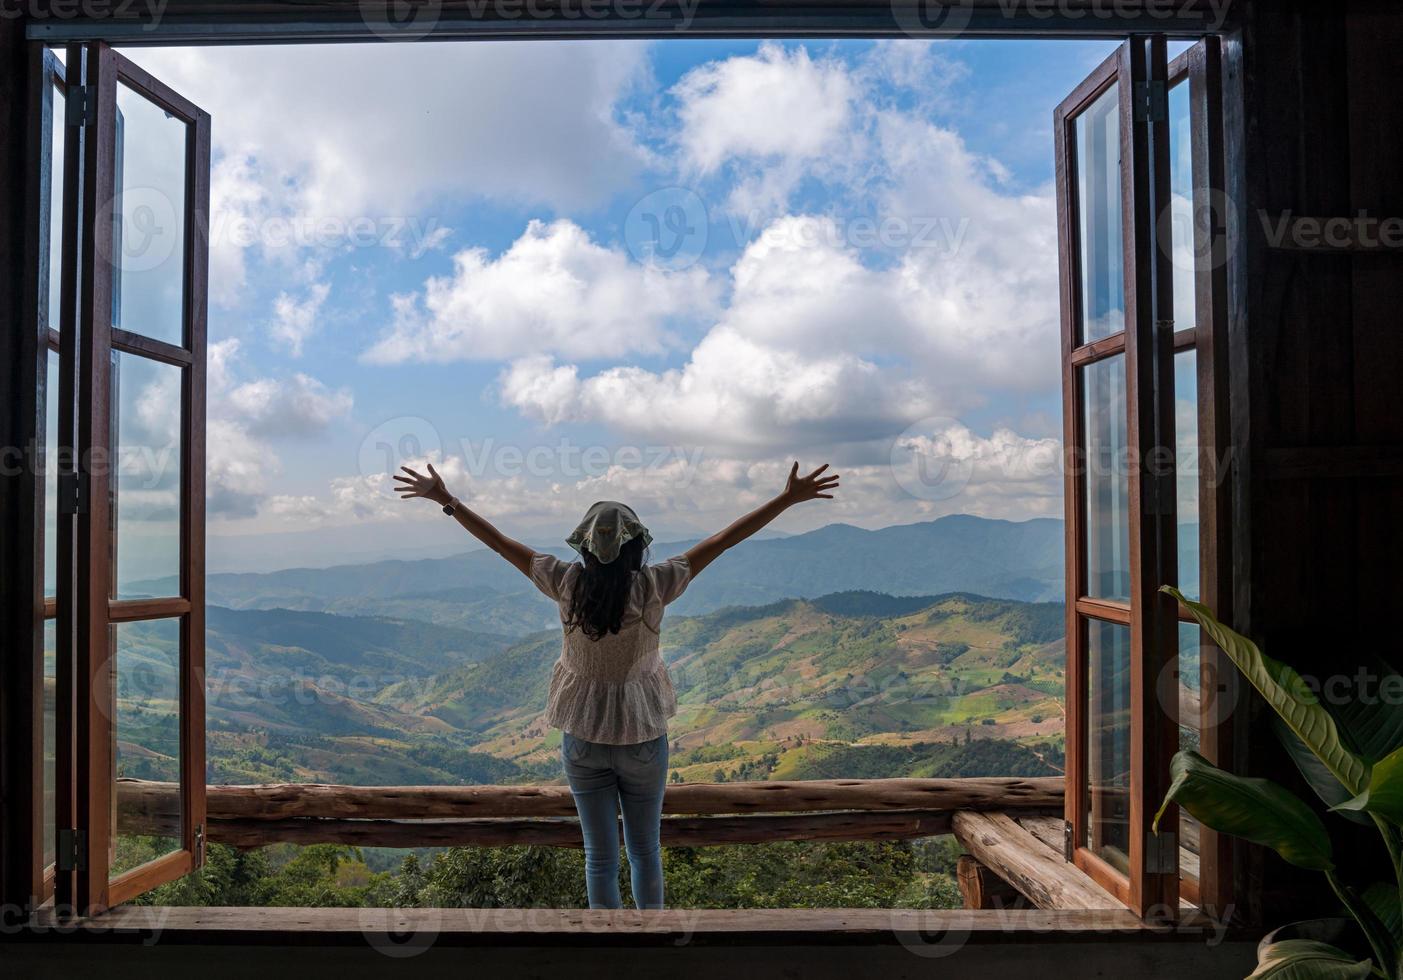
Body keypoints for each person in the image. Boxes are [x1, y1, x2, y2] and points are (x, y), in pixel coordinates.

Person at [394, 461, 840, 910]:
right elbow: (723, 540)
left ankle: (610, 954)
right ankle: (653, 946)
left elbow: (499, 543)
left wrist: (446, 500)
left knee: (600, 858)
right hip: (643, 739)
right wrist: (786, 499)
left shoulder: (564, 581)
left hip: (583, 741)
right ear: (637, 546)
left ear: (585, 546)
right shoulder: (654, 585)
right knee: (645, 851)